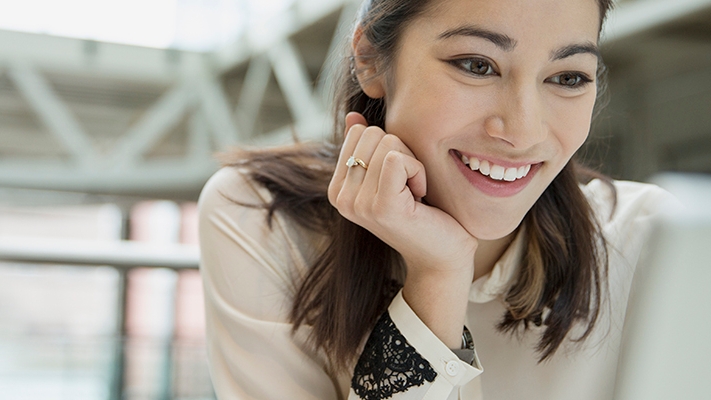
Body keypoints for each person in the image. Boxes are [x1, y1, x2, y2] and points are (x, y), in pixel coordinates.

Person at [198, 0, 673, 398]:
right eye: (476, 65)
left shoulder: (653, 244)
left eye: (568, 77)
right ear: (369, 60)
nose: (523, 131)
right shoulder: (262, 218)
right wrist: (438, 277)